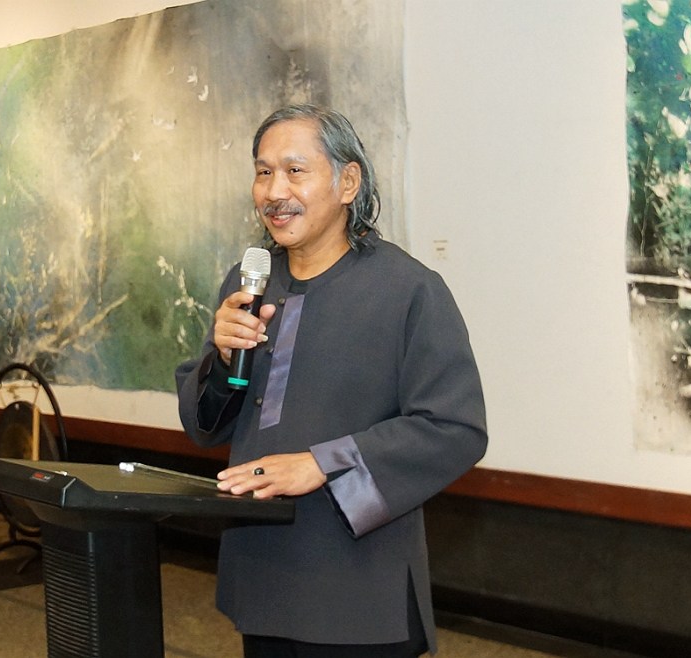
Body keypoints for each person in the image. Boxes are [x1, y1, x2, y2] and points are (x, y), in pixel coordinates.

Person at [175, 104, 487, 657]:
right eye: (263, 171)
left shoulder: (409, 290)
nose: (275, 191)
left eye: (295, 171)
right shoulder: (249, 282)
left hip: (358, 588)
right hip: (263, 571)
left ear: (348, 182)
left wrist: (322, 462)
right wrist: (221, 361)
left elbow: (454, 427)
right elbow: (206, 428)